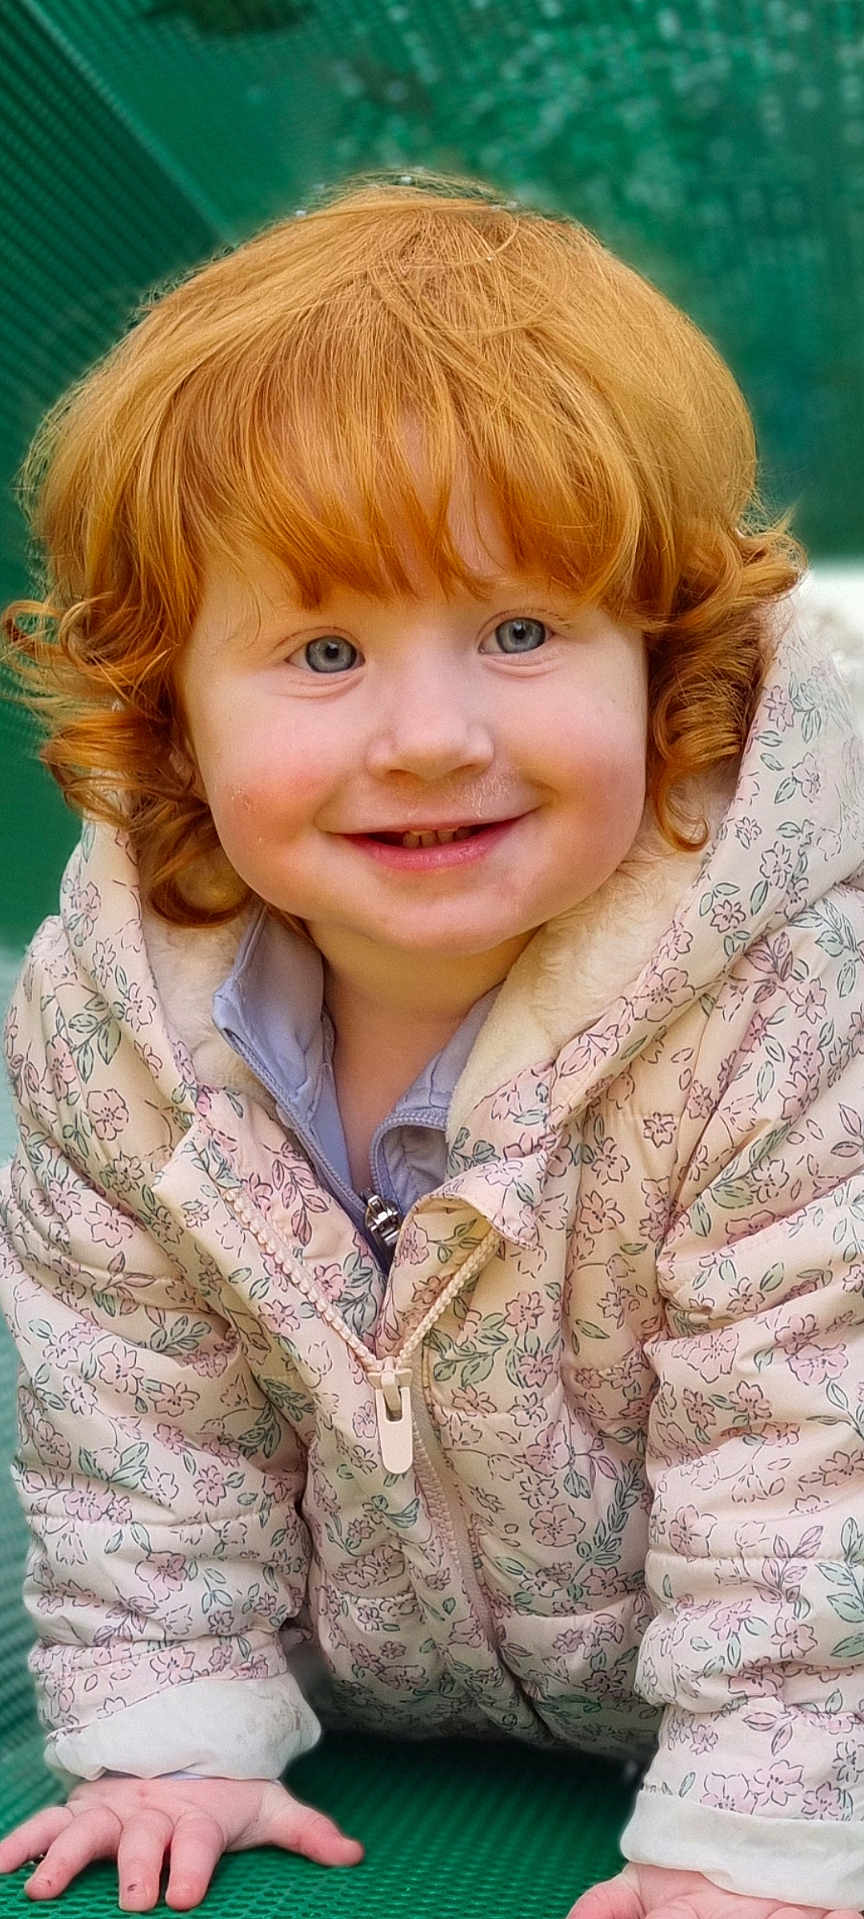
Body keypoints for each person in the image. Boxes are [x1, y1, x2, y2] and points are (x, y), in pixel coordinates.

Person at [0, 165, 862, 1919]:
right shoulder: (114, 1018)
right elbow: (121, 1393)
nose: (432, 734)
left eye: (524, 631)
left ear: (666, 659)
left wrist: (764, 1827)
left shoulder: (790, 1009)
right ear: (167, 707)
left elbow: (813, 1438)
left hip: (754, 1695)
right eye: (322, 648)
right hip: (383, 1696)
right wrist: (169, 1724)